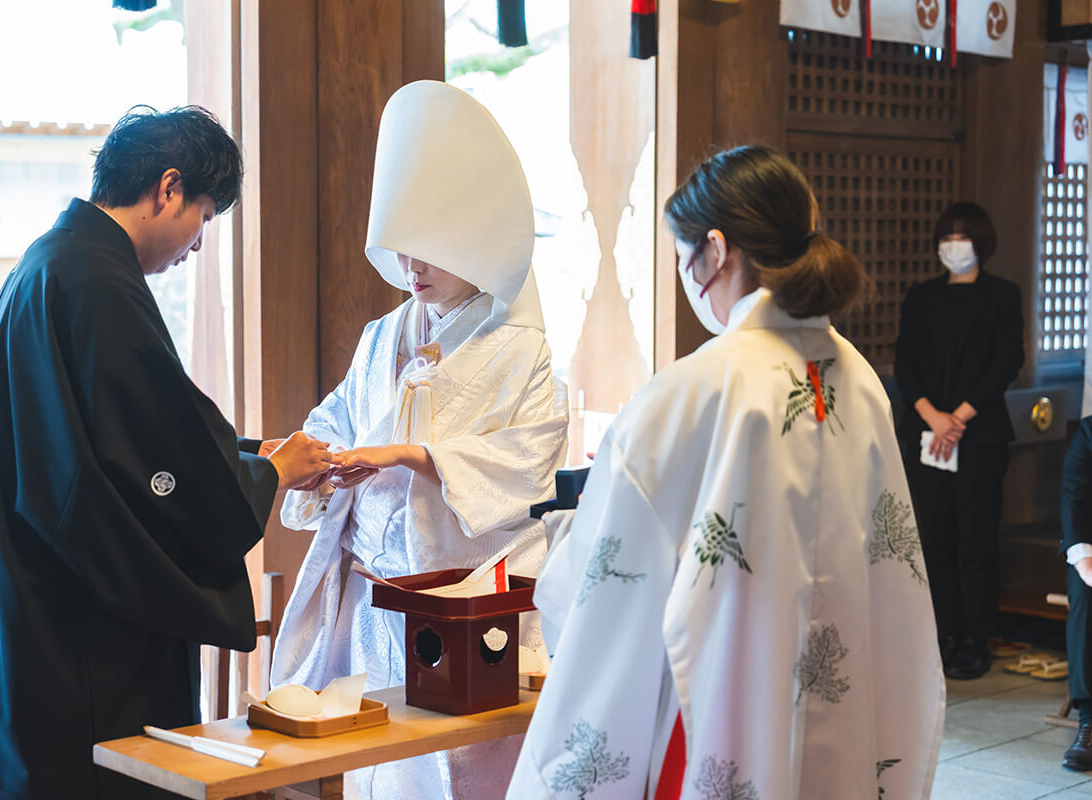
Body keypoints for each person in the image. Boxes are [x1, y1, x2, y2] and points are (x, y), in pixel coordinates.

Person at [508, 146, 945, 799]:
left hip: (723, 706)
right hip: (846, 698)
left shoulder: (695, 389)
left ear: (714, 250)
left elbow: (605, 586)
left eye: (683, 256)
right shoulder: (859, 379)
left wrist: (579, 527)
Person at [0, 106, 335, 800]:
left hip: (17, 614)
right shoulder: (95, 282)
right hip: (68, 639)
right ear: (167, 189)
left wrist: (237, 453)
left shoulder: (49, 264)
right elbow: (146, 454)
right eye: (204, 217)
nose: (198, 246)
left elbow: (117, 438)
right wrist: (267, 473)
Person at [268, 80, 569, 799]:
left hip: (467, 615)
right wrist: (319, 458)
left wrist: (413, 456)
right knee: (380, 775)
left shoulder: (520, 348)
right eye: (403, 251)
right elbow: (338, 418)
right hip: (375, 604)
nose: (412, 269)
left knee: (467, 773)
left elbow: (531, 461)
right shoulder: (384, 335)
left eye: (429, 250)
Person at [894, 201, 1024, 680]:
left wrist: (958, 419)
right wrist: (932, 416)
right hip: (927, 432)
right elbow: (904, 363)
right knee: (936, 540)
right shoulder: (921, 297)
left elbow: (1007, 361)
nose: (953, 246)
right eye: (946, 238)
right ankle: (941, 633)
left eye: (962, 238)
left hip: (980, 435)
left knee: (976, 540)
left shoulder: (1002, 296)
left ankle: (976, 637)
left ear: (981, 244)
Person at [1059, 417, 1092, 771]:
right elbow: (1074, 498)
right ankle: (1089, 723)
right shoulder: (1089, 432)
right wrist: (1085, 563)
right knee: (1086, 595)